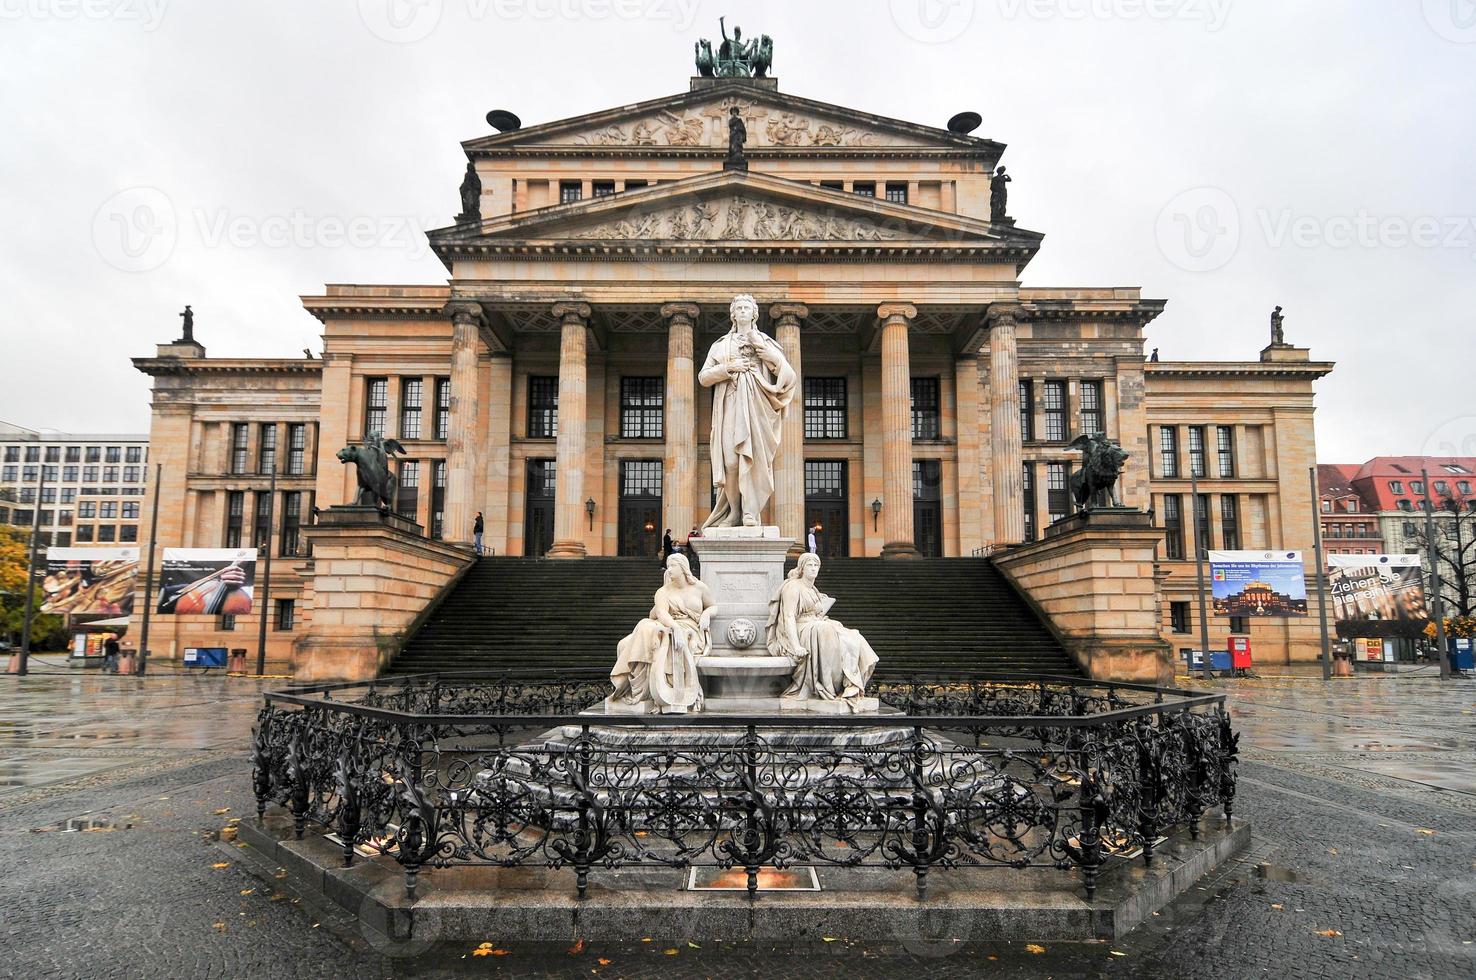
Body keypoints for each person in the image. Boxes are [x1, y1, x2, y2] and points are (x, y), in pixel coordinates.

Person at [698, 294, 797, 529]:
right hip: (730, 406)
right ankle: (734, 513)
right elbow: (703, 377)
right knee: (731, 462)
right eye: (738, 308)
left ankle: (751, 512)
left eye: (747, 308)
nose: (742, 311)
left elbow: (789, 376)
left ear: (754, 313)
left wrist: (767, 353)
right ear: (733, 314)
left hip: (758, 408)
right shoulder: (721, 345)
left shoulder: (766, 341)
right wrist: (728, 367)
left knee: (755, 462)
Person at [766, 553, 879, 710]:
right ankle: (828, 687)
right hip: (801, 628)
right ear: (801, 568)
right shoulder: (792, 587)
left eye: (816, 566)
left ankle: (850, 684)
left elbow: (817, 613)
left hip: (816, 624)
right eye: (809, 565)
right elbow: (789, 617)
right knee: (825, 629)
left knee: (854, 636)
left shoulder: (813, 589)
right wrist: (796, 645)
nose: (813, 569)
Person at [607, 553, 713, 714]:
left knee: (658, 634)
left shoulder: (699, 587)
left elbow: (713, 606)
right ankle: (638, 691)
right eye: (668, 566)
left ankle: (663, 691)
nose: (668, 570)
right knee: (627, 641)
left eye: (672, 566)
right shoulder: (663, 591)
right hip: (669, 625)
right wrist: (674, 628)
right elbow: (662, 613)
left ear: (683, 567)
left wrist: (707, 614)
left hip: (691, 630)